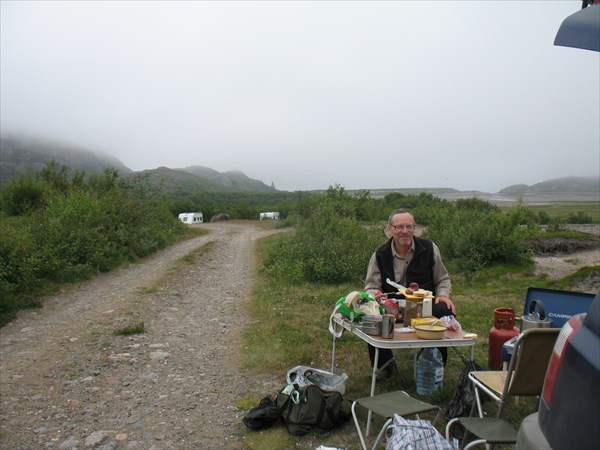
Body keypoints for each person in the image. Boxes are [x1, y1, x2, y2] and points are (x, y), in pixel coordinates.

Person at [364, 208, 456, 381]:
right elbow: (370, 286)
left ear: (415, 228)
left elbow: (443, 278)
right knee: (372, 315)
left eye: (409, 226)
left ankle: (433, 362)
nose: (404, 231)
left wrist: (443, 295)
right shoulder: (379, 255)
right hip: (393, 307)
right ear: (389, 229)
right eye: (399, 227)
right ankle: (384, 366)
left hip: (424, 305)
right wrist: (374, 295)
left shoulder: (429, 248)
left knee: (445, 309)